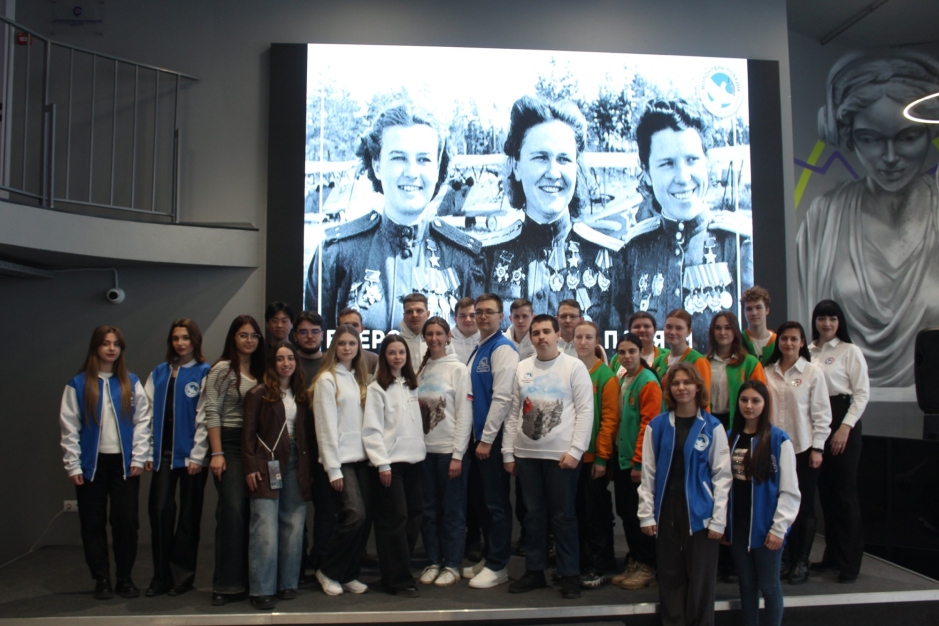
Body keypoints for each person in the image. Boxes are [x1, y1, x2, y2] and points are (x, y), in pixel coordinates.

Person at [797, 51, 939, 389]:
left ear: (929, 133)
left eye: (908, 137)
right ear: (845, 134)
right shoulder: (823, 219)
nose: (889, 157)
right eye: (870, 139)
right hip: (839, 401)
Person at [305, 103, 484, 332]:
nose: (411, 172)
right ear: (377, 165)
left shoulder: (466, 260)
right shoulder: (335, 256)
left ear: (438, 168)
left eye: (424, 159)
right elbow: (313, 347)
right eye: (399, 158)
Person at [485, 95, 626, 332]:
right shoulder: (486, 260)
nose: (553, 172)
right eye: (541, 158)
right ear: (517, 167)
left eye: (564, 159)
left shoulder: (612, 260)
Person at [623, 98, 752, 351]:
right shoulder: (633, 251)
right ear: (646, 173)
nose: (683, 177)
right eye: (667, 163)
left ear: (707, 164)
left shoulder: (738, 245)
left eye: (692, 159)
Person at [503, 314, 594, 599]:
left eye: (546, 332)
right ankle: (534, 571)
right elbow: (513, 412)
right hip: (526, 456)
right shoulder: (522, 367)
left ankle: (569, 575)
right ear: (531, 338)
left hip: (561, 458)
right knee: (533, 516)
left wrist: (576, 451)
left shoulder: (574, 367)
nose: (541, 337)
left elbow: (585, 411)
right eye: (536, 333)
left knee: (563, 517)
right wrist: (508, 453)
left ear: (558, 335)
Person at [60, 326, 151, 600]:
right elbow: (69, 427)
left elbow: (143, 421)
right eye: (105, 343)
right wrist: (73, 465)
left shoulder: (131, 382)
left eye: (116, 344)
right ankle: (101, 578)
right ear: (95, 347)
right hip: (91, 466)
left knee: (126, 522)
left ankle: (124, 578)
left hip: (124, 465)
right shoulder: (78, 384)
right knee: (92, 522)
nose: (111, 348)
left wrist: (139, 457)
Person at [638, 362, 731, 626]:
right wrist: (646, 514)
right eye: (676, 383)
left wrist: (719, 520)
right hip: (667, 507)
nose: (682, 388)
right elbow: (648, 473)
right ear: (669, 389)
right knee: (669, 575)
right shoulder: (657, 426)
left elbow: (722, 476)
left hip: (701, 511)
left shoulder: (712, 426)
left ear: (698, 387)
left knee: (701, 579)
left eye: (687, 382)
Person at [242, 343, 314, 610]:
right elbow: (247, 435)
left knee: (293, 525)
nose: (286, 363)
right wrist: (250, 466)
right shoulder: (258, 394)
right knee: (265, 528)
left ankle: (287, 584)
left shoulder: (302, 396)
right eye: (280, 359)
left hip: (297, 462)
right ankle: (262, 589)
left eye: (290, 358)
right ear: (272, 364)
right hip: (266, 462)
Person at [143, 319, 211, 597]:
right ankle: (160, 577)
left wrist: (198, 455)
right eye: (175, 338)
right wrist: (147, 451)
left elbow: (205, 417)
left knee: (188, 518)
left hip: (192, 458)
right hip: (163, 457)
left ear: (195, 341)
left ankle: (181, 577)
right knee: (160, 511)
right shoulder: (159, 373)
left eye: (185, 338)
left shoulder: (204, 372)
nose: (180, 343)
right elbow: (145, 415)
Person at [726, 381, 800, 626]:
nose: (749, 405)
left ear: (765, 404)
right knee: (746, 585)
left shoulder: (779, 440)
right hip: (739, 527)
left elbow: (789, 490)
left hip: (767, 527)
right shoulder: (730, 437)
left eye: (755, 401)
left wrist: (779, 528)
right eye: (744, 400)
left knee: (768, 586)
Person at [204, 315, 266, 606]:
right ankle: (227, 584)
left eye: (254, 335)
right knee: (232, 511)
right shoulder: (222, 369)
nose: (249, 340)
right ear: (233, 338)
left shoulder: (261, 370)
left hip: (256, 445)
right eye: (243, 335)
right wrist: (216, 453)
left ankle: (254, 581)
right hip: (228, 444)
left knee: (255, 514)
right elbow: (212, 412)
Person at [765, 322, 832, 585]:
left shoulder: (813, 372)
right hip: (773, 450)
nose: (789, 343)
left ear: (802, 342)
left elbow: (821, 414)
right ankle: (784, 558)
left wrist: (818, 448)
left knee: (803, 507)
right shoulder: (767, 371)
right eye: (784, 339)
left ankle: (801, 562)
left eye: (794, 339)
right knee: (776, 504)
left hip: (803, 448)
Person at [809, 300, 870, 583]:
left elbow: (862, 393)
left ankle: (850, 562)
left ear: (839, 322)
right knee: (826, 494)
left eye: (832, 319)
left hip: (843, 421)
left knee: (844, 494)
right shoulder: (808, 351)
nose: (827, 324)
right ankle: (832, 556)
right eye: (822, 319)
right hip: (817, 423)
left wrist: (845, 427)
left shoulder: (849, 351)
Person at [311, 325, 372, 597]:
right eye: (342, 343)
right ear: (334, 346)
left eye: (352, 343)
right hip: (341, 462)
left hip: (362, 460)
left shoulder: (358, 378)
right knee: (354, 516)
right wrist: (333, 468)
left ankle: (348, 574)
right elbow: (324, 426)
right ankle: (327, 571)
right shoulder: (327, 379)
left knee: (364, 519)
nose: (347, 348)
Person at [463, 293, 519, 589]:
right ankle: (488, 557)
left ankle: (499, 565)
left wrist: (486, 440)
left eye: (489, 312)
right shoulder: (479, 347)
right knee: (482, 502)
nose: (482, 317)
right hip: (477, 439)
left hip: (492, 440)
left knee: (496, 503)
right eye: (478, 312)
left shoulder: (503, 348)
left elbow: (503, 398)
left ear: (501, 317)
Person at [363, 334, 425, 597]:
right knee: (395, 520)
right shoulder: (377, 389)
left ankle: (401, 570)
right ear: (384, 357)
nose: (397, 357)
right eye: (392, 353)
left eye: (401, 352)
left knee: (414, 517)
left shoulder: (412, 385)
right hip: (390, 465)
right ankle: (395, 579)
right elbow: (371, 430)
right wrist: (382, 463)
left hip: (415, 461)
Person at [415, 317, 473, 587]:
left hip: (450, 453)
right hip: (424, 454)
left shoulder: (458, 369)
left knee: (452, 511)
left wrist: (458, 454)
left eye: (439, 333)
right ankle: (434, 561)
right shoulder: (421, 370)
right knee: (429, 511)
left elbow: (464, 414)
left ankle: (452, 564)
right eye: (429, 334)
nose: (434, 338)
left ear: (448, 336)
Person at [608, 333, 661, 590]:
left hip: (637, 462)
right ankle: (635, 560)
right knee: (626, 513)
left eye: (632, 351)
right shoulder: (622, 378)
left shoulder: (647, 381)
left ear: (641, 352)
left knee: (639, 515)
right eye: (622, 352)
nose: (627, 356)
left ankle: (648, 565)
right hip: (622, 458)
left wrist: (639, 462)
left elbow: (648, 425)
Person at [571, 321, 619, 588]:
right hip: (572, 458)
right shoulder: (570, 370)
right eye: (579, 337)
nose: (583, 342)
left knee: (595, 516)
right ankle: (580, 562)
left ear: (597, 341)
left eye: (588, 337)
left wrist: (602, 457)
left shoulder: (606, 377)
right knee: (577, 514)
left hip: (593, 459)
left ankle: (598, 565)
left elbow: (609, 421)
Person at [706, 311, 766, 430]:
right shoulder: (704, 362)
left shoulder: (750, 363)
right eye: (718, 328)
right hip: (708, 422)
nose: (722, 332)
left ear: (735, 331)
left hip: (740, 424)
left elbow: (761, 399)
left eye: (728, 328)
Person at [652, 309, 712, 410]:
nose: (672, 332)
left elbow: (704, 401)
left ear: (689, 332)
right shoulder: (658, 361)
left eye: (679, 328)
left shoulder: (698, 361)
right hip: (662, 418)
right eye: (669, 327)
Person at [337, 307, 379, 374]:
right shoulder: (326, 359)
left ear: (362, 329)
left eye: (355, 325)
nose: (351, 328)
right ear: (338, 329)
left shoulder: (373, 360)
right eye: (346, 325)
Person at [742, 286, 776, 364]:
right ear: (744, 312)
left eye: (758, 308)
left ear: (767, 310)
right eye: (749, 309)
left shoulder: (778, 343)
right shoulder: (737, 342)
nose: (754, 313)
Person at [398, 292, 430, 371]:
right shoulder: (394, 344)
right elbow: (381, 375)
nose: (414, 315)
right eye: (409, 311)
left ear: (428, 314)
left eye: (419, 311)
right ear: (404, 316)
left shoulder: (439, 342)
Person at [293, 312, 325, 383]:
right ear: (295, 336)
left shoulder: (331, 363)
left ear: (322, 335)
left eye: (315, 331)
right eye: (303, 332)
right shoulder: (288, 363)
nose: (309, 336)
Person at [450, 297, 480, 365]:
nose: (468, 320)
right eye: (462, 316)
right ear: (455, 320)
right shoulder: (446, 342)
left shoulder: (487, 340)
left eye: (472, 315)